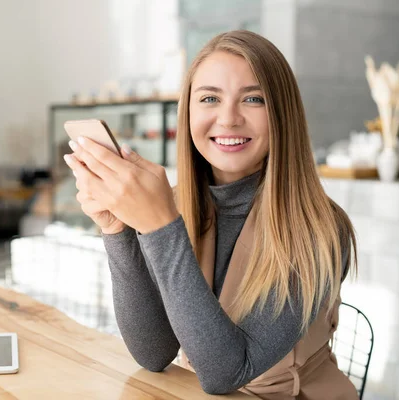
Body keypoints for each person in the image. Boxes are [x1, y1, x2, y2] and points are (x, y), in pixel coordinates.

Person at [64, 29, 359, 399]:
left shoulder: (320, 230)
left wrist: (159, 227)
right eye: (209, 98)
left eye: (253, 99)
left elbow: (226, 373)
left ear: (283, 115)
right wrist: (118, 230)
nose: (228, 118)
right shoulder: (173, 207)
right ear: (187, 113)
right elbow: (153, 353)